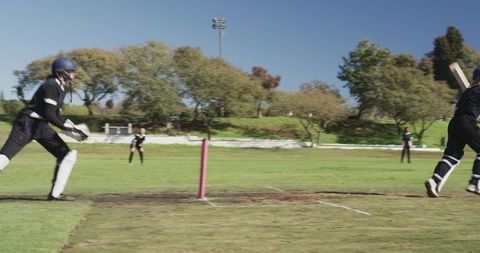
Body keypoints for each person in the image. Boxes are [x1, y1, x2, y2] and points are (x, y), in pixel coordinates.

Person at [0, 57, 89, 201]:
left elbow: (54, 115)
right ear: (62, 72)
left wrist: (72, 129)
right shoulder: (51, 84)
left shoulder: (63, 88)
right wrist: (68, 128)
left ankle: (55, 194)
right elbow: (48, 114)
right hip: (26, 123)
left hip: (41, 127)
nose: (74, 74)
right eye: (71, 71)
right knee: (3, 158)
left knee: (68, 155)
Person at [425, 66, 480, 198]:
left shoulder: (468, 92)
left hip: (455, 123)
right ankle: (475, 183)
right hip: (467, 121)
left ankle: (434, 181)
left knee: (452, 155)